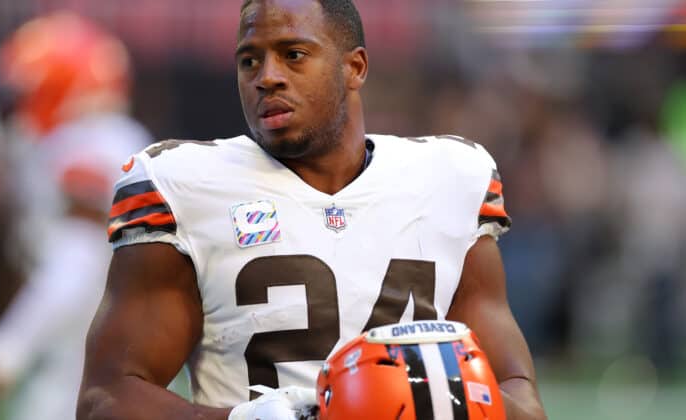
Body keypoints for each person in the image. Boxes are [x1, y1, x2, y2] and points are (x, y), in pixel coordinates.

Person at [78, 1, 546, 419]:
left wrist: (424, 402)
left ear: (355, 67)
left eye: (293, 54)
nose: (267, 77)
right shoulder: (183, 184)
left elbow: (521, 400)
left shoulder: (450, 178)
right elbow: (107, 397)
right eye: (249, 60)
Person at [0, 12, 152, 420]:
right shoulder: (78, 139)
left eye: (32, 85)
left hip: (106, 319)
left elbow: (75, 266)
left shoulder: (90, 147)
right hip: (94, 323)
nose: (21, 100)